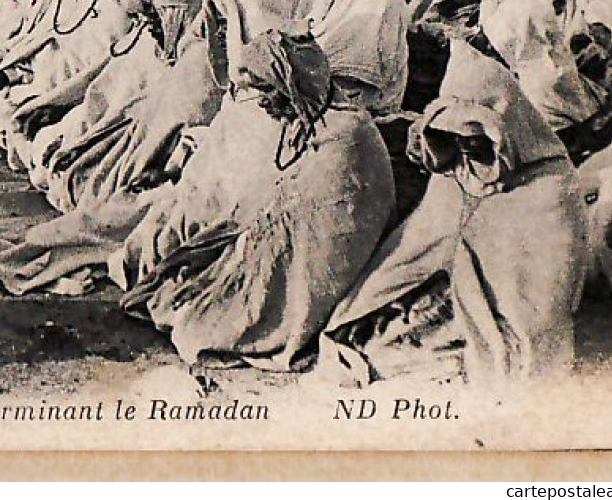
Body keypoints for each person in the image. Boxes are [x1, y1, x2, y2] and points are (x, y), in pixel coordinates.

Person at [112, 30, 395, 370]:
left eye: (267, 92)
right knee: (180, 282)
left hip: (318, 258)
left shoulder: (347, 136)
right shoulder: (302, 121)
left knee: (201, 324)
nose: (261, 102)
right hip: (283, 235)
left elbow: (327, 226)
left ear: (293, 87)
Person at [319, 40, 586, 386]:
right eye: (455, 140)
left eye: (476, 142)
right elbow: (418, 246)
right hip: (450, 292)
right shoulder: (458, 172)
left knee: (496, 357)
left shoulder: (552, 188)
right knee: (374, 338)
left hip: (507, 311)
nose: (467, 151)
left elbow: (539, 304)